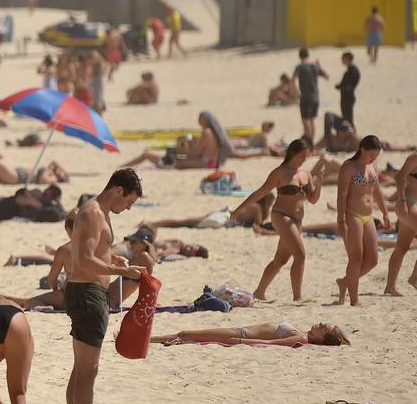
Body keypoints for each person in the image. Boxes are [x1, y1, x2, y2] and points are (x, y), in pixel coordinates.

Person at [66, 168, 144, 404]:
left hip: (86, 292)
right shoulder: (93, 212)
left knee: (82, 368)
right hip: (88, 293)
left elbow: (94, 252)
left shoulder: (100, 212)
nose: (129, 208)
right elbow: (84, 260)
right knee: (89, 370)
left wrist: (112, 258)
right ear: (118, 190)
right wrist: (122, 271)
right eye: (129, 201)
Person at [232, 139, 321, 301]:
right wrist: (238, 210)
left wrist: (319, 182)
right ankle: (298, 297)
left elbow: (313, 199)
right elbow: (259, 193)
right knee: (300, 255)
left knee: (280, 260)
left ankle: (259, 292)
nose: (304, 159)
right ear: (293, 153)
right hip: (281, 216)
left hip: (297, 219)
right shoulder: (280, 173)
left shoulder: (305, 174)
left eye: (306, 156)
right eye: (302, 155)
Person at [336, 136, 389, 306]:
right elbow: (341, 196)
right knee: (356, 257)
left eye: (376, 155)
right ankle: (354, 299)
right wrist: (341, 220)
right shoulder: (348, 167)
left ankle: (345, 282)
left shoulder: (372, 166)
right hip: (352, 215)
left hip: (368, 216)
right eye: (371, 154)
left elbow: (377, 192)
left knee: (372, 259)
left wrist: (385, 212)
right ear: (362, 149)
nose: (373, 158)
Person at [121, 111, 230, 170]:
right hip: (210, 162)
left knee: (174, 162)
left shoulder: (207, 132)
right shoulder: (214, 133)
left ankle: (123, 166)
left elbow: (197, 152)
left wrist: (179, 151)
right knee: (170, 160)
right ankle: (124, 166)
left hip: (206, 162)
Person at [149, 322, 349, 348]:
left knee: (185, 333)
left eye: (324, 327)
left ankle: (147, 339)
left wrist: (242, 340)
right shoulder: (304, 334)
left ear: (321, 337)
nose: (321, 323)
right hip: (239, 331)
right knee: (188, 336)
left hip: (240, 333)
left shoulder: (300, 339)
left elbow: (269, 342)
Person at [384, 153, 417, 296]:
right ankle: (415, 278)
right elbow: (399, 177)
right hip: (407, 203)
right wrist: (402, 200)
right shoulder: (415, 157)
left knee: (401, 247)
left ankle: (390, 287)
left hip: (412, 205)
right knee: (401, 248)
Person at [293, 48, 328, 142]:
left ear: (300, 56)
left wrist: (296, 93)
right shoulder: (314, 66)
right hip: (315, 98)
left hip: (305, 98)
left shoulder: (300, 66)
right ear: (308, 55)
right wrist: (319, 66)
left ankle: (308, 143)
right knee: (312, 121)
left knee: (306, 122)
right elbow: (327, 76)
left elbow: (292, 81)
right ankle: (311, 142)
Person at [336, 52, 360, 127]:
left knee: (348, 119)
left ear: (347, 59)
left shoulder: (353, 71)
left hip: (348, 97)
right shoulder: (351, 70)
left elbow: (348, 85)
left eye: (343, 59)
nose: (342, 60)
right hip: (346, 97)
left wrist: (340, 86)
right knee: (346, 118)